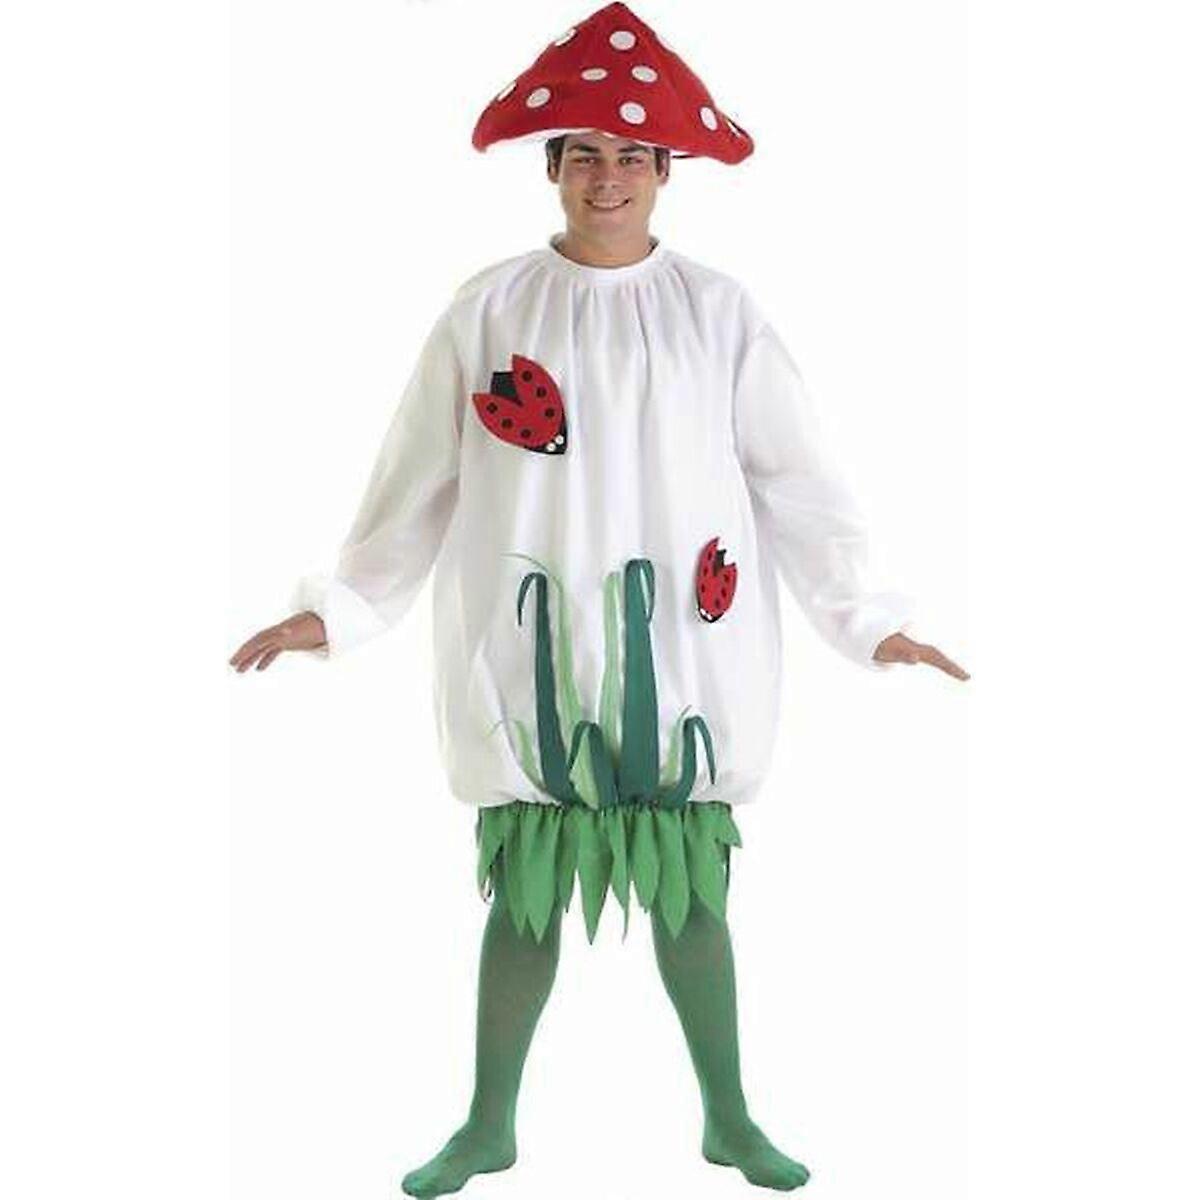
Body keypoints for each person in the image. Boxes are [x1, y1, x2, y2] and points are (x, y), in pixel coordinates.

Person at [229, 4, 967, 1195]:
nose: (606, 177)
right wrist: (341, 606)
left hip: (680, 654)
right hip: (537, 653)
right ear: (553, 169)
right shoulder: (488, 310)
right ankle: (489, 1123)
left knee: (692, 895)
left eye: (629, 155)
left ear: (665, 171)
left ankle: (729, 1116)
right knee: (524, 896)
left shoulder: (719, 314)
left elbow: (799, 479)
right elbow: (416, 478)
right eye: (583, 155)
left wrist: (869, 618)